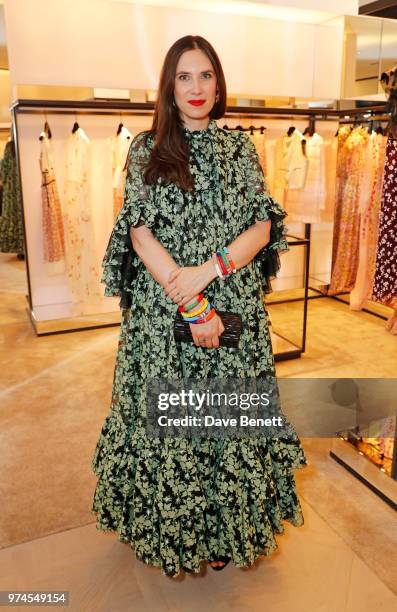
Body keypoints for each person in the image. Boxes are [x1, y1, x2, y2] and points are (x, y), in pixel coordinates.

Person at [91, 34, 308, 577]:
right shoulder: (146, 148)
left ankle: (221, 529)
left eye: (205, 75)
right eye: (184, 76)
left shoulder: (240, 148)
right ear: (168, 85)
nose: (196, 87)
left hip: (231, 303)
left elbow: (262, 226)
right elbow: (138, 235)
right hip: (165, 315)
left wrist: (210, 274)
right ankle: (170, 526)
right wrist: (191, 304)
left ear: (219, 83)